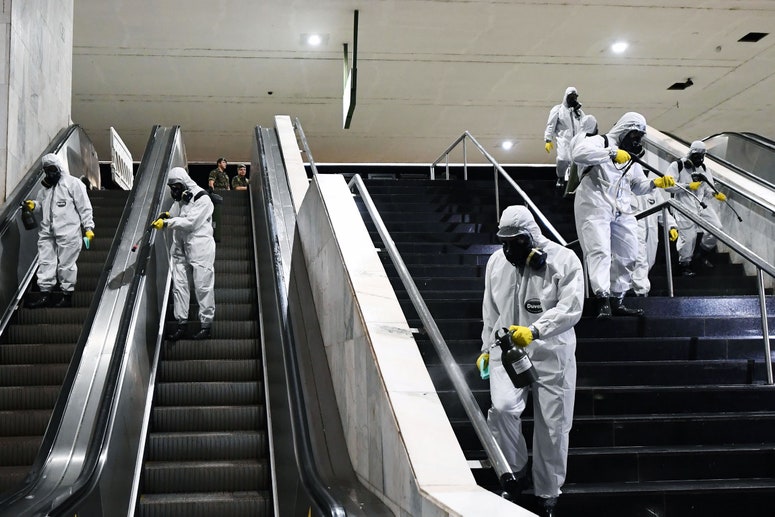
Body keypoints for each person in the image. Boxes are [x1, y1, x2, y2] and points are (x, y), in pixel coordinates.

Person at [479, 205, 583, 517]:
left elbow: (572, 307)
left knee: (554, 425)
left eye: (516, 241)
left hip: (553, 352)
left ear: (532, 237)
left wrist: (537, 330)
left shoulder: (564, 260)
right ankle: (514, 471)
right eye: (504, 242)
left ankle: (548, 493)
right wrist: (486, 348)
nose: (509, 249)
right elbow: (490, 310)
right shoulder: (497, 262)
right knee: (503, 408)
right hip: (507, 351)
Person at [571, 112, 676, 318]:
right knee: (599, 251)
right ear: (625, 129)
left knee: (630, 253)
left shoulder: (631, 156)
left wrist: (656, 183)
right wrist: (610, 153)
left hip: (622, 208)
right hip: (594, 205)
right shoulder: (599, 141)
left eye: (640, 136)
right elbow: (578, 153)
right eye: (634, 134)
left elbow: (637, 186)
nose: (637, 140)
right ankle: (602, 299)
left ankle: (617, 298)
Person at [153, 167, 216, 340]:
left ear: (183, 183)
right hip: (180, 249)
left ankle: (206, 325)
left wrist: (167, 223)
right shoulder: (181, 199)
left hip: (200, 248)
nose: (173, 190)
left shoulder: (202, 199)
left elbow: (190, 222)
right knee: (179, 287)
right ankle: (181, 324)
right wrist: (166, 215)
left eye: (176, 186)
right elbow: (174, 213)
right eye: (171, 187)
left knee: (203, 286)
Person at [25, 153, 94, 308]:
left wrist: (88, 227)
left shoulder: (73, 184)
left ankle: (66, 296)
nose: (50, 173)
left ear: (59, 167)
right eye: (47, 170)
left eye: (52, 169)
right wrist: (34, 206)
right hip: (47, 233)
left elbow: (84, 207)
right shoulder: (46, 189)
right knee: (45, 262)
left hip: (68, 233)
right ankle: (45, 295)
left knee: (66, 265)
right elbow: (43, 206)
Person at [666, 140, 725, 277]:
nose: (700, 159)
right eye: (697, 155)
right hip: (683, 204)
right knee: (689, 236)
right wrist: (687, 186)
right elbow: (667, 185)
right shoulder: (678, 166)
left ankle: (702, 254)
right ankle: (684, 264)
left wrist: (715, 194)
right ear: (691, 153)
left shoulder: (704, 168)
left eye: (702, 156)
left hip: (701, 203)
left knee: (717, 228)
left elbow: (708, 188)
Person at [630, 170, 678, 295]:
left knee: (649, 261)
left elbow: (662, 210)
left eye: (645, 172)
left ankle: (634, 286)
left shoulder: (653, 190)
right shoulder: (627, 188)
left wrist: (671, 226)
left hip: (651, 230)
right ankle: (641, 293)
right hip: (634, 229)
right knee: (639, 261)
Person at [544, 87, 585, 188]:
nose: (573, 99)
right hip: (564, 140)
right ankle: (561, 176)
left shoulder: (579, 112)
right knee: (563, 159)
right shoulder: (558, 110)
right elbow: (551, 124)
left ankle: (574, 182)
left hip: (577, 140)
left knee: (576, 162)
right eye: (571, 97)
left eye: (575, 97)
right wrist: (548, 139)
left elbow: (586, 124)